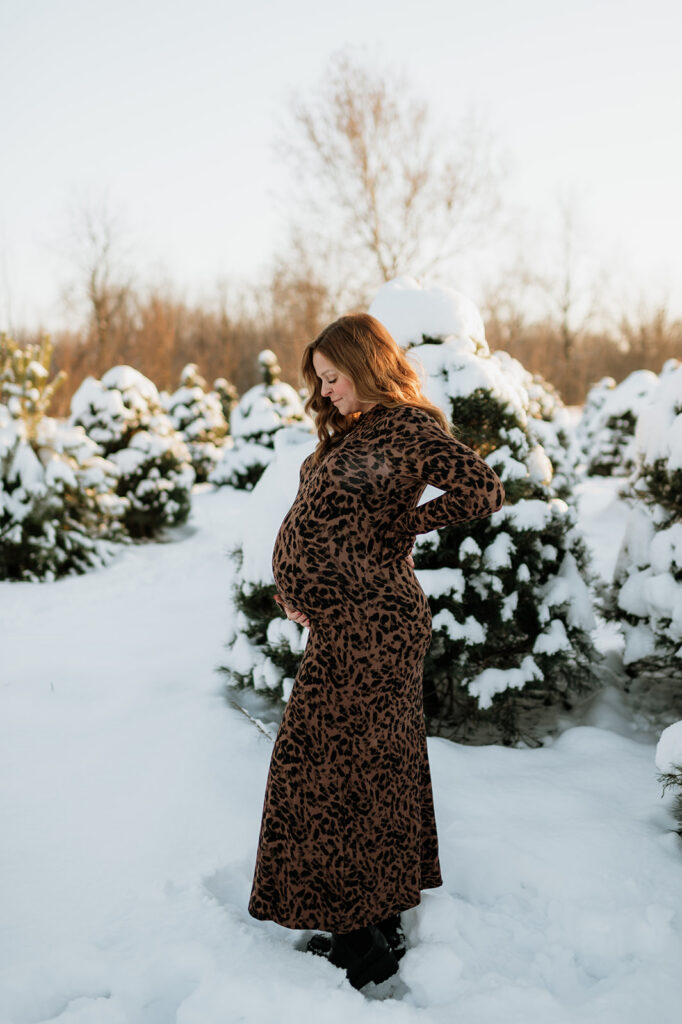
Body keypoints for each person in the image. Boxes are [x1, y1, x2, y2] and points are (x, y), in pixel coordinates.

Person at [248, 313, 504, 989]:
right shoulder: (357, 433)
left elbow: (483, 488)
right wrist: (299, 587)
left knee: (326, 772)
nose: (326, 391)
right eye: (321, 381)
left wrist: (406, 524)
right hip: (345, 624)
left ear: (365, 364)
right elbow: (322, 524)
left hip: (375, 628)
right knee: (372, 769)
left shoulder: (412, 427)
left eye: (333, 377)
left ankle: (360, 943)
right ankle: (378, 915)